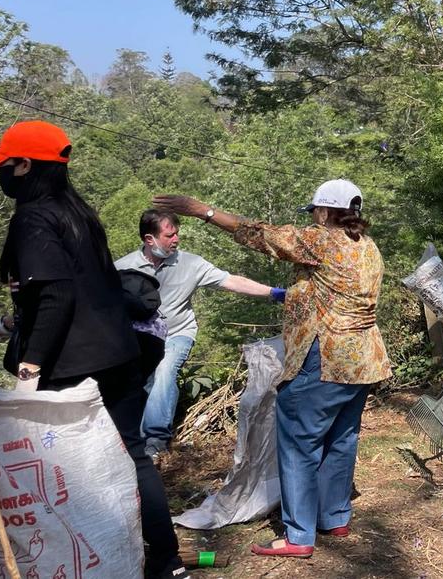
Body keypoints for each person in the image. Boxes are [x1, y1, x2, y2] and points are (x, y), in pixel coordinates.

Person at [152, 179, 392, 559]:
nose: (313, 218)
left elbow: (260, 235)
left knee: (299, 443)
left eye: (315, 212)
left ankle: (299, 535)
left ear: (326, 212)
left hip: (325, 358)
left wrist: (202, 210)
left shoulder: (322, 239)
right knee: (342, 440)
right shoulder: (367, 246)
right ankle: (334, 517)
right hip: (363, 360)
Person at [0, 120, 186, 578]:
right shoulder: (77, 210)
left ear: (26, 166)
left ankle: (78, 558)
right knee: (132, 455)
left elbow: (57, 297)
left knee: (62, 468)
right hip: (118, 352)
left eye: (7, 166)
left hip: (73, 361)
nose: (2, 175)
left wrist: (30, 368)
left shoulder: (34, 216)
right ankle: (165, 559)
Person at [115, 209, 283, 457]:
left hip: (177, 333)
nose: (176, 239)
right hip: (137, 338)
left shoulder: (191, 264)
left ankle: (155, 442)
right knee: (136, 383)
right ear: (150, 240)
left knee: (163, 371)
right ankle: (127, 440)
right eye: (169, 235)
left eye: (177, 234)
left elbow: (232, 281)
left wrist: (273, 292)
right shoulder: (122, 268)